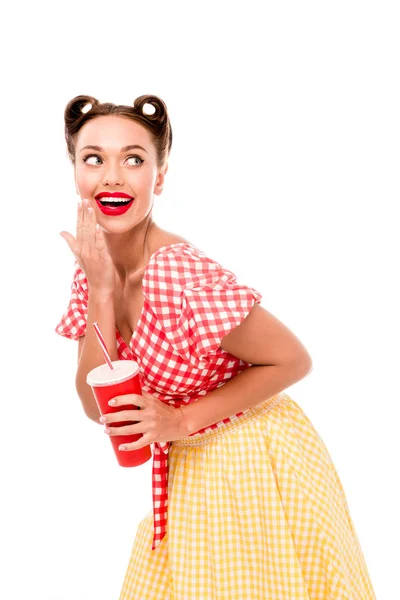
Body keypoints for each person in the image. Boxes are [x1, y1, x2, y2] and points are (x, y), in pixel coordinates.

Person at [55, 94, 376, 599]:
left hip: (257, 458)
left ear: (158, 179)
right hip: (192, 465)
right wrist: (101, 290)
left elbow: (292, 358)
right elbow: (95, 406)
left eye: (133, 159)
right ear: (75, 173)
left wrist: (180, 421)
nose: (113, 176)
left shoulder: (178, 274)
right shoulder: (93, 269)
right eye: (94, 158)